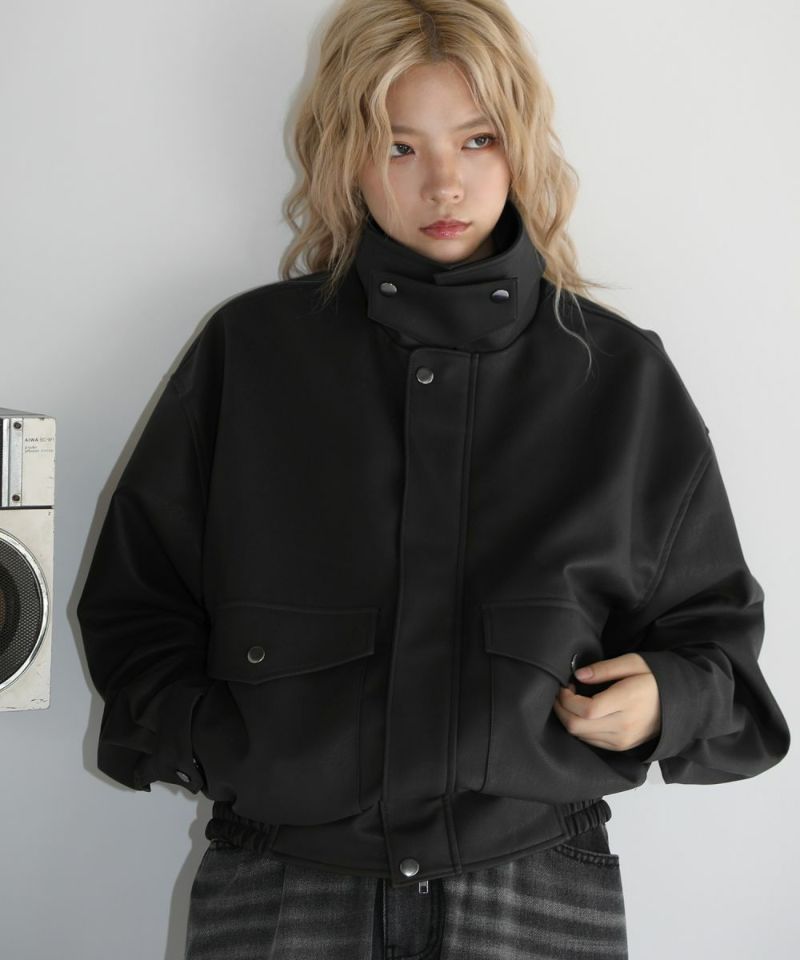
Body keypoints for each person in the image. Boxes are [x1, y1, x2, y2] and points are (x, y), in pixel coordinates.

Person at [76, 1, 791, 958]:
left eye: (477, 139)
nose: (444, 182)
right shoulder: (251, 353)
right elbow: (137, 600)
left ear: (521, 145)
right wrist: (214, 740)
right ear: (346, 157)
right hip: (284, 877)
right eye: (399, 146)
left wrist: (668, 698)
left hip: (534, 883)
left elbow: (716, 637)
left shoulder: (619, 375)